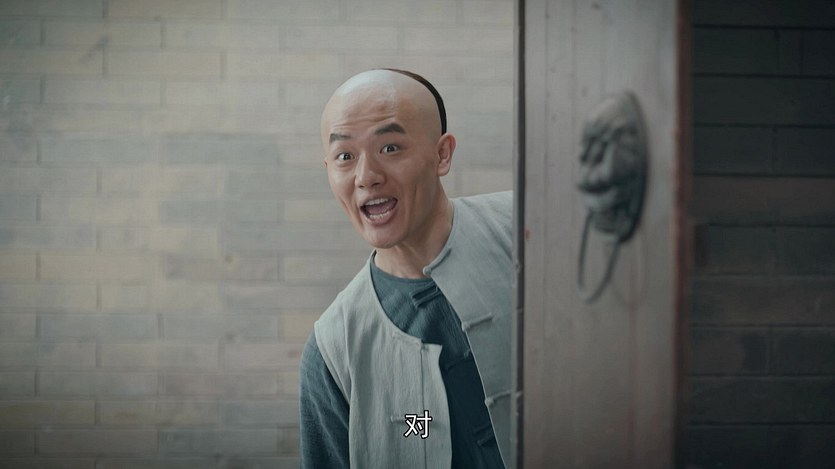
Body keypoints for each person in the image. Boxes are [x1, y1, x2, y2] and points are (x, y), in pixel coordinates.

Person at [299, 68, 513, 468]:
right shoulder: (335, 348)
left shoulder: (528, 232)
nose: (367, 177)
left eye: (390, 147)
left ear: (442, 154)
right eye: (345, 157)